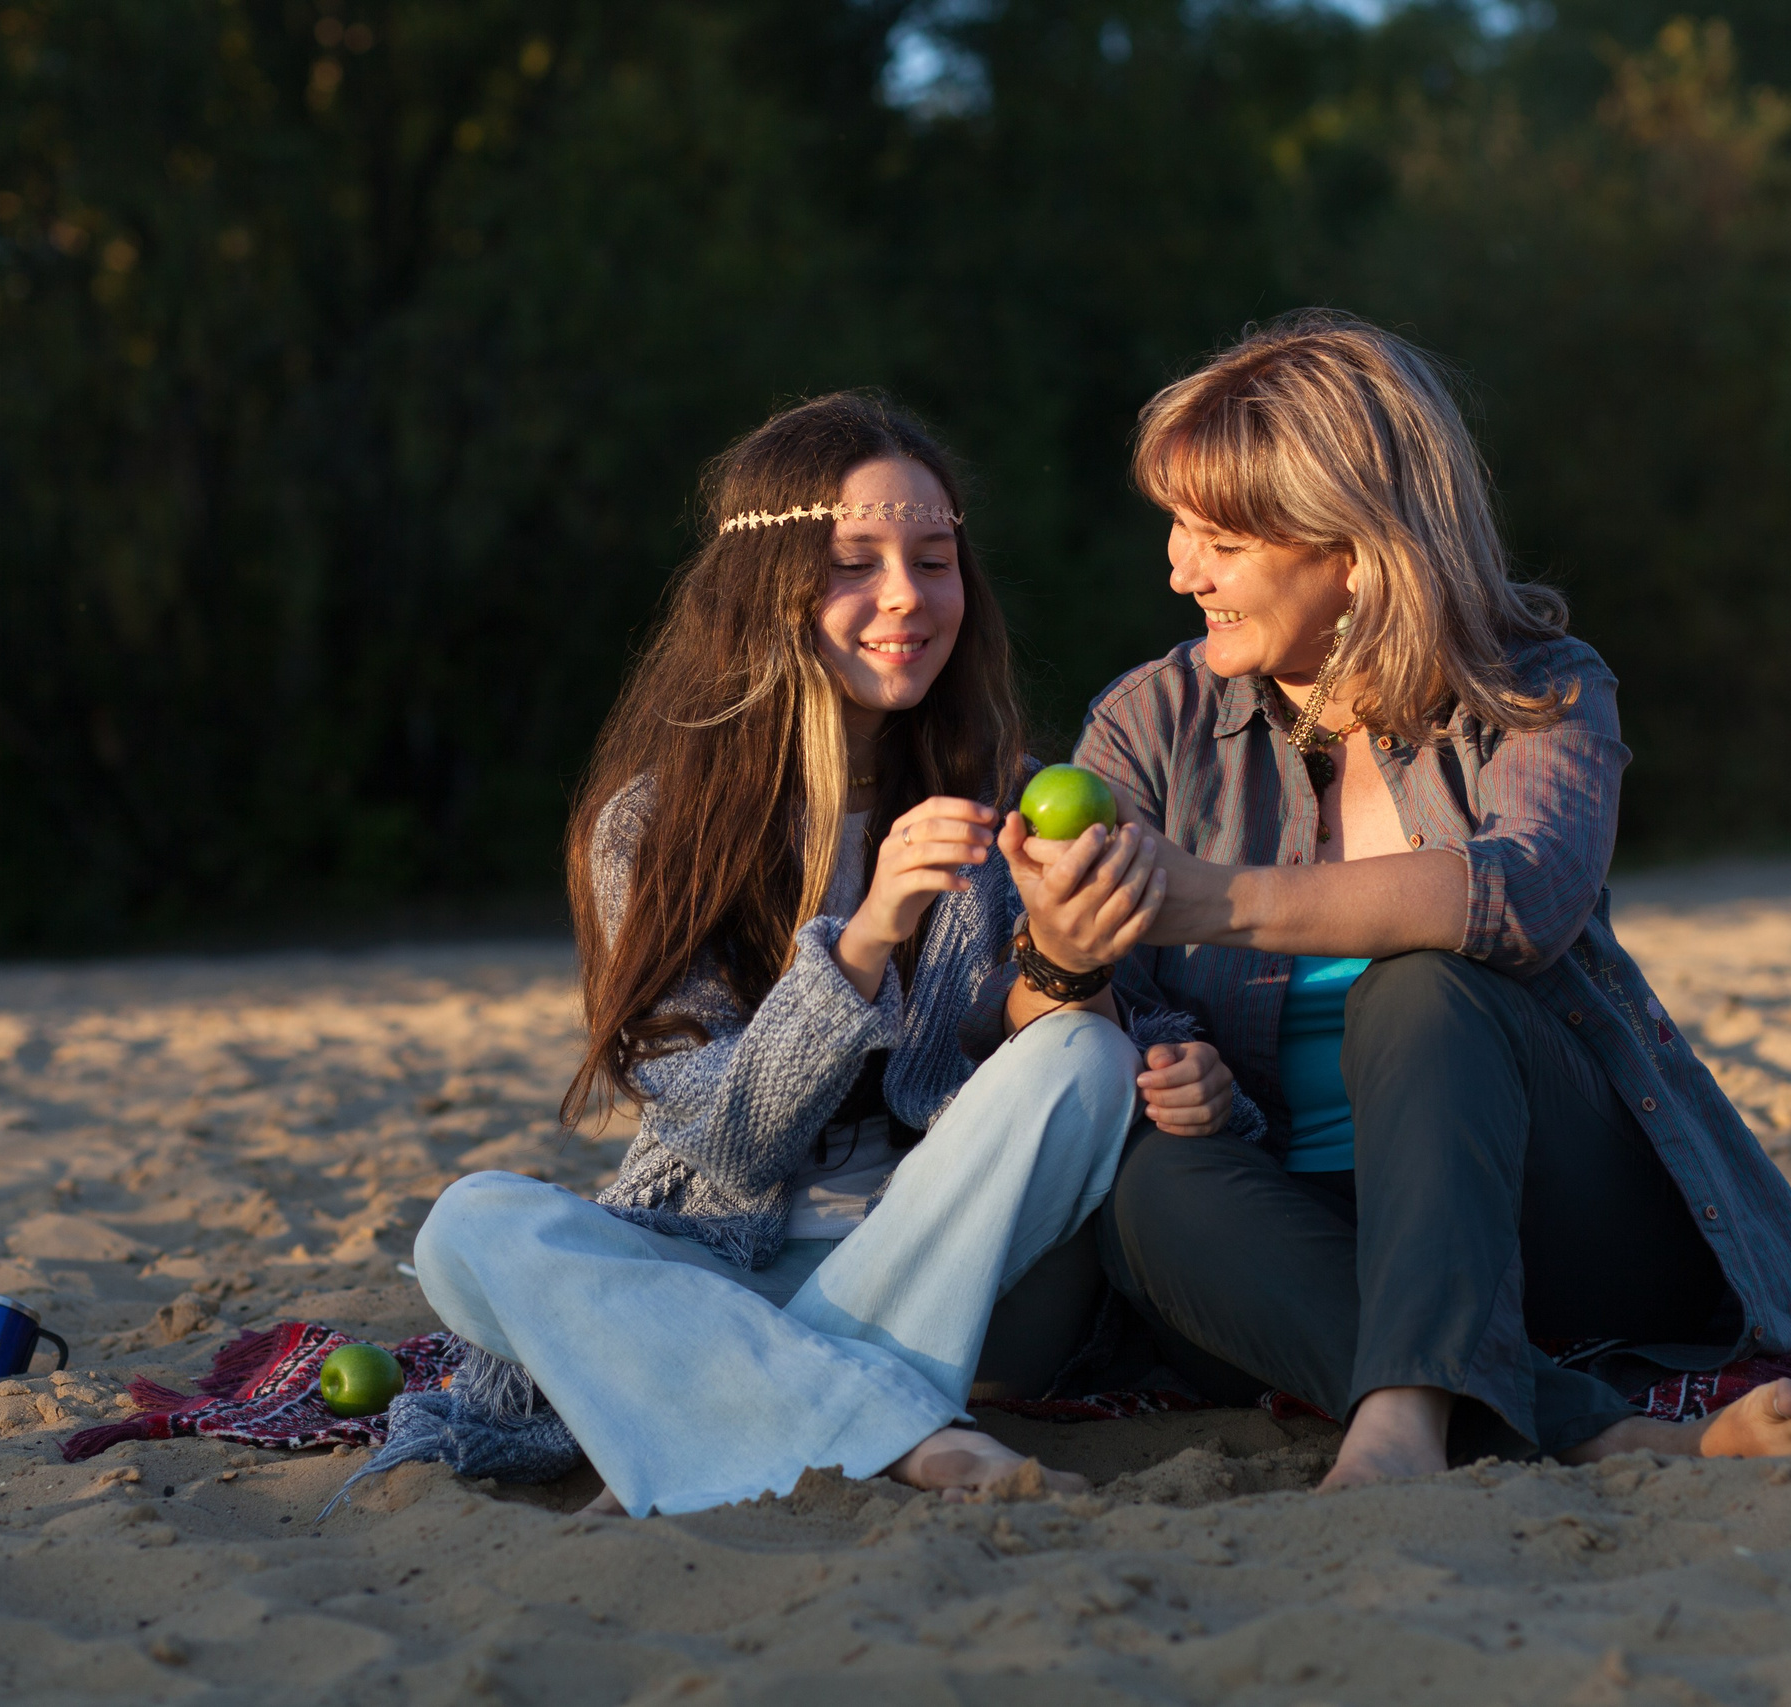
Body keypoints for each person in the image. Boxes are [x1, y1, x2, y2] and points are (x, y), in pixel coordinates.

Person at [995, 312, 1791, 1486]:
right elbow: (1059, 1033)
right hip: (1305, 1245)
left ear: (1350, 548)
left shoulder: (1535, 687)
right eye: (1177, 529)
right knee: (1148, 1187)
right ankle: (1589, 1426)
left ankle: (1400, 1418)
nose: (1181, 570)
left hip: (1551, 1224)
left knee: (1423, 988)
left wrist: (1211, 900)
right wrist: (1070, 963)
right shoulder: (1149, 723)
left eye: (1220, 540)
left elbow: (1521, 897)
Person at [411, 393, 1213, 1516]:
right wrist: (867, 936)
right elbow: (731, 1143)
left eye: (933, 561)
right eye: (854, 563)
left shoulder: (1015, 807)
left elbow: (1131, 1042)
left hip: (955, 1269)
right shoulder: (654, 830)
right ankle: (906, 1433)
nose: (906, 595)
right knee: (469, 1227)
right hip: (721, 1262)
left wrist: (1182, 1068)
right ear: (767, 587)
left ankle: (732, 1405)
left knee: (1083, 1054)